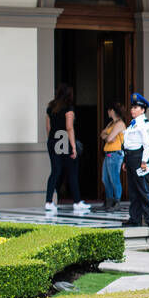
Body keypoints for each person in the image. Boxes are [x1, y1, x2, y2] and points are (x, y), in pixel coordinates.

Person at [45, 83, 90, 215]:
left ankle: (49, 201)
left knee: (55, 171)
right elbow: (69, 127)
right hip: (63, 139)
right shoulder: (68, 109)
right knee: (72, 171)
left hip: (53, 139)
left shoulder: (51, 107)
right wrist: (73, 147)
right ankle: (77, 202)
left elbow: (48, 127)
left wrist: (52, 140)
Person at [121, 93, 149, 228]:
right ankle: (134, 218)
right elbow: (128, 144)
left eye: (136, 107)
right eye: (132, 107)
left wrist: (144, 161)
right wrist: (125, 160)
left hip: (138, 158)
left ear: (143, 110)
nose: (132, 110)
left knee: (143, 188)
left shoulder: (145, 125)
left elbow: (148, 145)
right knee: (133, 190)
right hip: (130, 158)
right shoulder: (132, 125)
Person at [100, 103, 127, 212]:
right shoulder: (111, 123)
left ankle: (117, 200)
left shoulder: (120, 124)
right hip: (108, 153)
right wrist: (107, 137)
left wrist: (107, 136)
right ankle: (109, 200)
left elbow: (109, 138)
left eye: (109, 110)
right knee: (105, 178)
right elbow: (102, 134)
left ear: (112, 111)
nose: (108, 112)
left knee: (114, 178)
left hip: (115, 154)